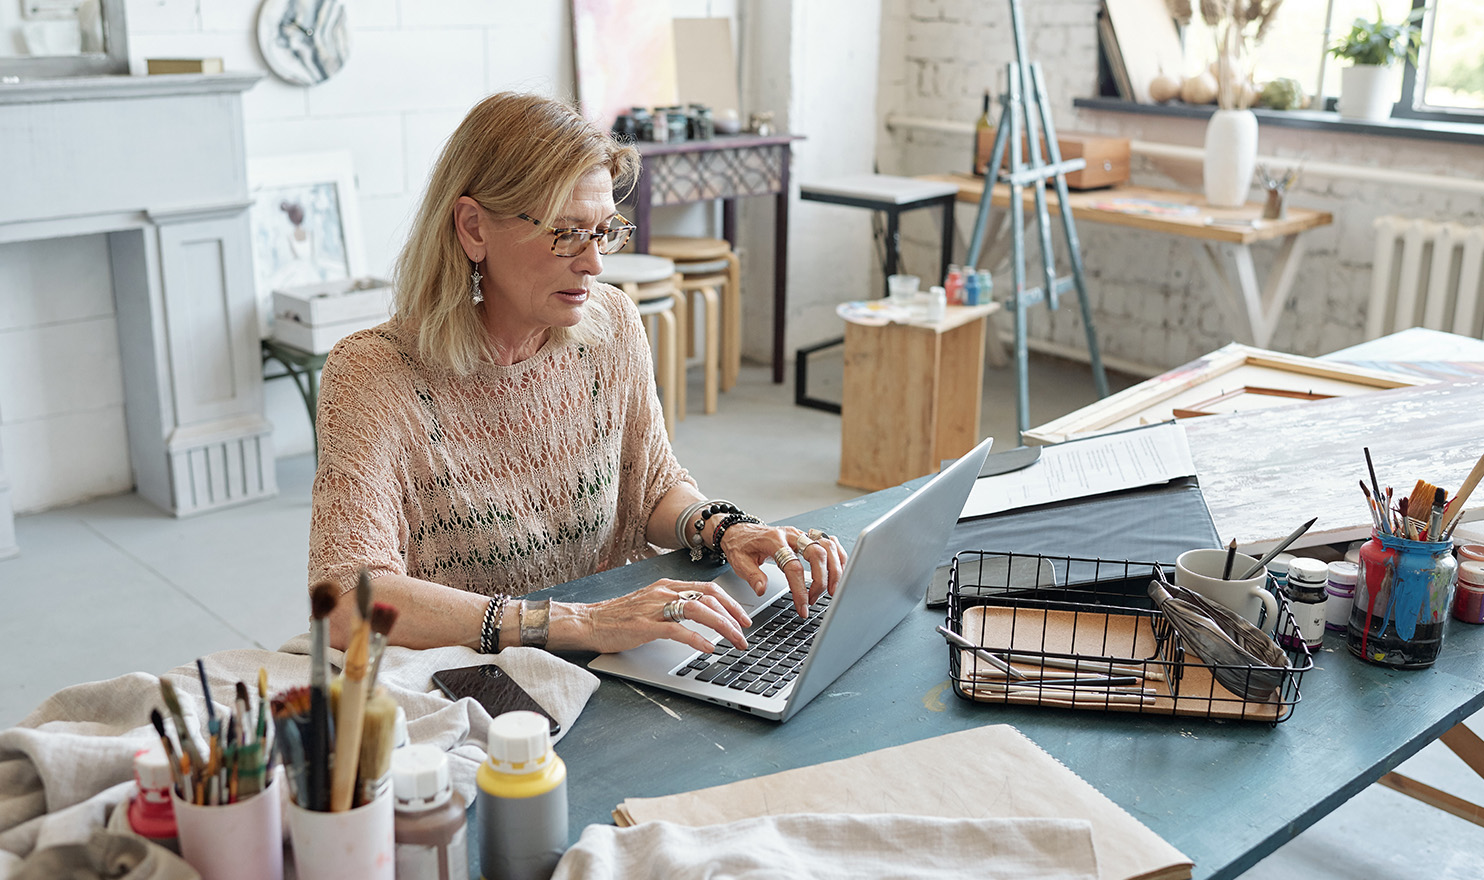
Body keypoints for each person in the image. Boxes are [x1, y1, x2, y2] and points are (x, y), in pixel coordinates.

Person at [308, 91, 846, 657]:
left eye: (604, 231)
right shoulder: (374, 375)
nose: (593, 263)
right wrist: (578, 623)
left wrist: (726, 528)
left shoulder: (610, 324)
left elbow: (652, 486)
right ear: (473, 228)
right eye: (565, 233)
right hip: (469, 687)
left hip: (606, 657)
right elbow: (346, 601)